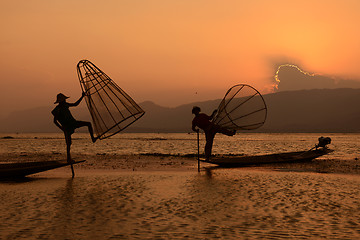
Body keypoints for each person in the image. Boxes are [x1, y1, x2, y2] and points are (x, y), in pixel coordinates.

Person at [52, 93, 97, 163]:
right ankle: (68, 158)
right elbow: (55, 121)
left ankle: (93, 138)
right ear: (61, 101)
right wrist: (62, 128)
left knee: (88, 124)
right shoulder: (57, 109)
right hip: (66, 127)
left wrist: (82, 96)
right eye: (64, 100)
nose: (65, 101)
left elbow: (75, 104)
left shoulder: (66, 105)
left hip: (73, 123)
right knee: (68, 143)